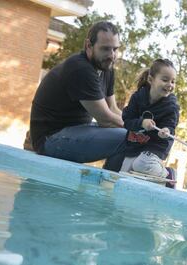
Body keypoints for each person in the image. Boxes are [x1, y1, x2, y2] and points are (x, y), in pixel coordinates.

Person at [29, 21, 127, 171]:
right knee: (129, 138)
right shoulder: (80, 68)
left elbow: (113, 108)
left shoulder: (106, 67)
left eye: (115, 49)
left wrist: (138, 124)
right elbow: (106, 119)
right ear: (88, 46)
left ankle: (108, 184)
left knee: (132, 135)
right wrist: (139, 129)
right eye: (105, 49)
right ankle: (106, 190)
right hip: (50, 139)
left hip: (76, 130)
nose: (111, 55)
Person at [120, 59, 180, 185]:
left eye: (173, 81)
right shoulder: (138, 97)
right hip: (135, 143)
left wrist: (166, 131)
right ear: (151, 80)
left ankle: (167, 175)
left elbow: (170, 126)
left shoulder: (171, 106)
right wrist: (141, 123)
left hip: (155, 146)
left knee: (141, 163)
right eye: (165, 80)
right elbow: (127, 120)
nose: (170, 84)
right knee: (123, 178)